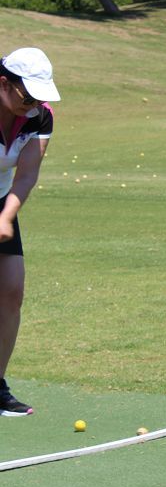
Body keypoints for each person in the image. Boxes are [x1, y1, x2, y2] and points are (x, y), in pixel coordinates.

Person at [1, 48, 60, 418]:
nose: (34, 103)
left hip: (1, 199)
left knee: (11, 290)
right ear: (4, 84)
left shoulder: (39, 116)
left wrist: (7, 214)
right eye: (28, 95)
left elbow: (26, 174)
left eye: (40, 95)